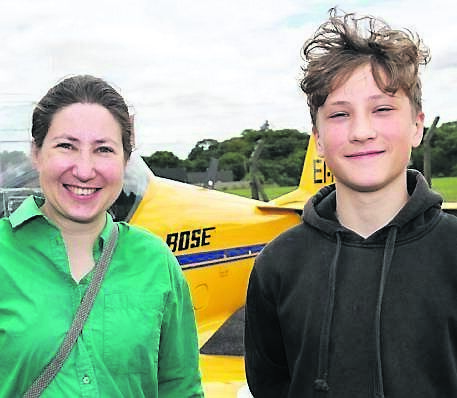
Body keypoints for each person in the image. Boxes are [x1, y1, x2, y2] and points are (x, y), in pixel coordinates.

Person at [244, 8, 457, 398]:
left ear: (417, 125)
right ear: (319, 139)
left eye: (382, 109)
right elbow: (270, 383)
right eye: (340, 114)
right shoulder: (277, 264)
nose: (362, 131)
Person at [0, 75, 203, 397]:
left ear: (125, 160)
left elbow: (181, 388)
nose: (84, 169)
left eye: (104, 149)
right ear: (36, 153)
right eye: (66, 146)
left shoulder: (155, 260)